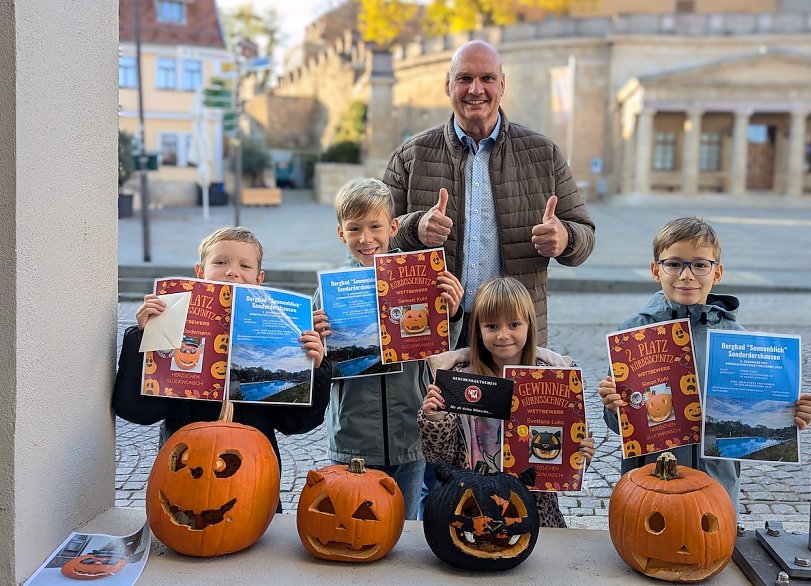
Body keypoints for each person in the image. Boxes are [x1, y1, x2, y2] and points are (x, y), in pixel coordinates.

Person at [383, 39, 596, 347]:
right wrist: (413, 228)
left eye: (487, 78)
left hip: (513, 336)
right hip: (434, 328)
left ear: (502, 84)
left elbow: (585, 235)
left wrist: (565, 239)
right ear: (448, 85)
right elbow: (375, 237)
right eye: (465, 78)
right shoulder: (411, 154)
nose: (476, 89)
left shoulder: (543, 153)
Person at [597, 217, 811, 512]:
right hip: (651, 482)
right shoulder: (633, 335)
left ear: (718, 272)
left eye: (700, 265)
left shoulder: (739, 342)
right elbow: (620, 426)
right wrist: (613, 408)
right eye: (674, 264)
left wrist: (790, 415)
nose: (686, 275)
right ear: (655, 270)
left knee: (709, 543)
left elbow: (762, 418)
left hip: (716, 488)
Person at [113, 226, 333, 513]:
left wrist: (316, 367)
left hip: (254, 481)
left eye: (245, 265)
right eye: (220, 262)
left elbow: (295, 423)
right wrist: (142, 338)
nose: (232, 272)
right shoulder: (174, 325)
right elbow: (137, 411)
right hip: (185, 472)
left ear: (259, 279)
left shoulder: (284, 332)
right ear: (199, 271)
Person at [313, 178, 464, 520]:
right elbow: (322, 367)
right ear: (341, 233)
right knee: (352, 518)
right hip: (352, 434)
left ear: (393, 227)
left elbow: (442, 353)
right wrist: (318, 342)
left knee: (405, 523)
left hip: (409, 431)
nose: (366, 239)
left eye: (375, 226)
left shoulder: (420, 278)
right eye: (354, 229)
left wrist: (452, 313)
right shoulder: (328, 291)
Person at [418, 277, 595, 528]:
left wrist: (580, 455)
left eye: (513, 324)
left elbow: (560, 457)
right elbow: (442, 458)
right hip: (473, 506)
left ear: (529, 325)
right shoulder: (460, 378)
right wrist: (435, 418)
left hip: (533, 509)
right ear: (478, 330)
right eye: (491, 326)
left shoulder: (552, 378)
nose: (503, 335)